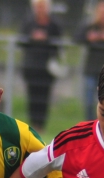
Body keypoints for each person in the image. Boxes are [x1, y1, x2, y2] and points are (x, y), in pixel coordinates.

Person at [18, 0, 63, 132]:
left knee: (45, 96)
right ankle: (33, 124)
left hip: (48, 67)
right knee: (32, 96)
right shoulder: (28, 22)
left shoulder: (54, 24)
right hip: (31, 66)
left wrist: (46, 39)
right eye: (38, 7)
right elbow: (21, 40)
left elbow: (59, 43)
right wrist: (33, 38)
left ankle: (41, 125)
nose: (40, 9)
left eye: (43, 7)